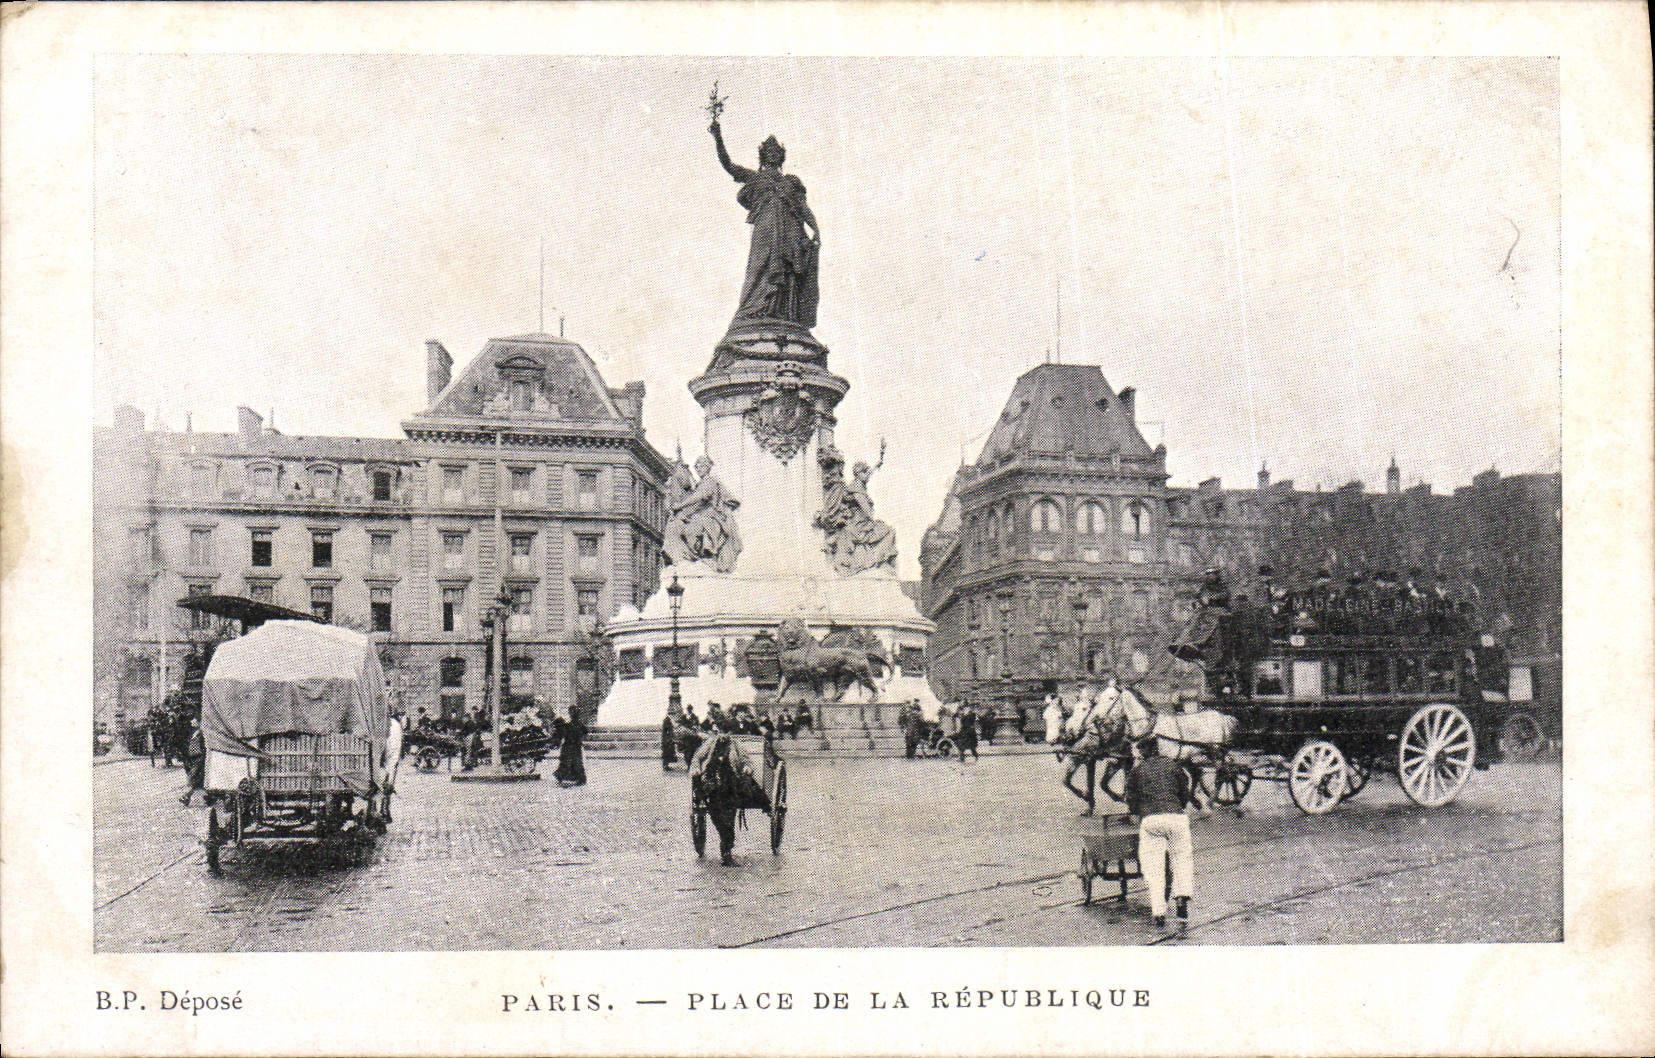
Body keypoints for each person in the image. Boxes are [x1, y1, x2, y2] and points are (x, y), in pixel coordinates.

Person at [709, 119, 820, 329]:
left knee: (789, 270)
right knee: (760, 265)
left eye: (776, 152)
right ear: (762, 156)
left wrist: (816, 229)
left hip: (791, 231)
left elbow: (803, 208)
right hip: (766, 227)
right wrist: (718, 137)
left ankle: (785, 315)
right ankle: (755, 309)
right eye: (769, 152)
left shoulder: (791, 181)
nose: (772, 154)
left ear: (781, 157)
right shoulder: (754, 177)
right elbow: (728, 165)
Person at [1124, 736, 1195, 933]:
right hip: (1176, 818)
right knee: (1182, 859)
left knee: (1153, 866)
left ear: (1142, 752)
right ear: (1157, 749)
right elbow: (1184, 789)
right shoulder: (1173, 766)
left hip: (1151, 820)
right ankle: (1182, 899)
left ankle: (1159, 912)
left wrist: (1138, 811)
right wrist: (1178, 805)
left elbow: (1130, 799)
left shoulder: (1136, 771)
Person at [689, 733, 768, 866]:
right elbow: (697, 758)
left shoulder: (735, 744)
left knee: (730, 813)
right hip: (712, 784)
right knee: (717, 815)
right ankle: (726, 846)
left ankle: (726, 850)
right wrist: (696, 768)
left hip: (732, 784)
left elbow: (745, 760)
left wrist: (746, 767)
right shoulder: (709, 744)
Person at [554, 710, 587, 787]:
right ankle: (579, 778)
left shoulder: (568, 725)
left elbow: (562, 734)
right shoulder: (580, 725)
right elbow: (585, 733)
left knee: (566, 762)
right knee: (576, 762)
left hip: (568, 746)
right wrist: (580, 739)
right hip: (576, 746)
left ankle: (562, 776)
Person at [178, 717, 205, 806]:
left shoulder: (201, 733)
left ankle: (187, 796)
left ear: (199, 722)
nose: (192, 722)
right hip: (193, 757)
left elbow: (203, 747)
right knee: (195, 778)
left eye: (194, 720)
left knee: (194, 778)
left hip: (199, 757)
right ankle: (188, 796)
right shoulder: (194, 733)